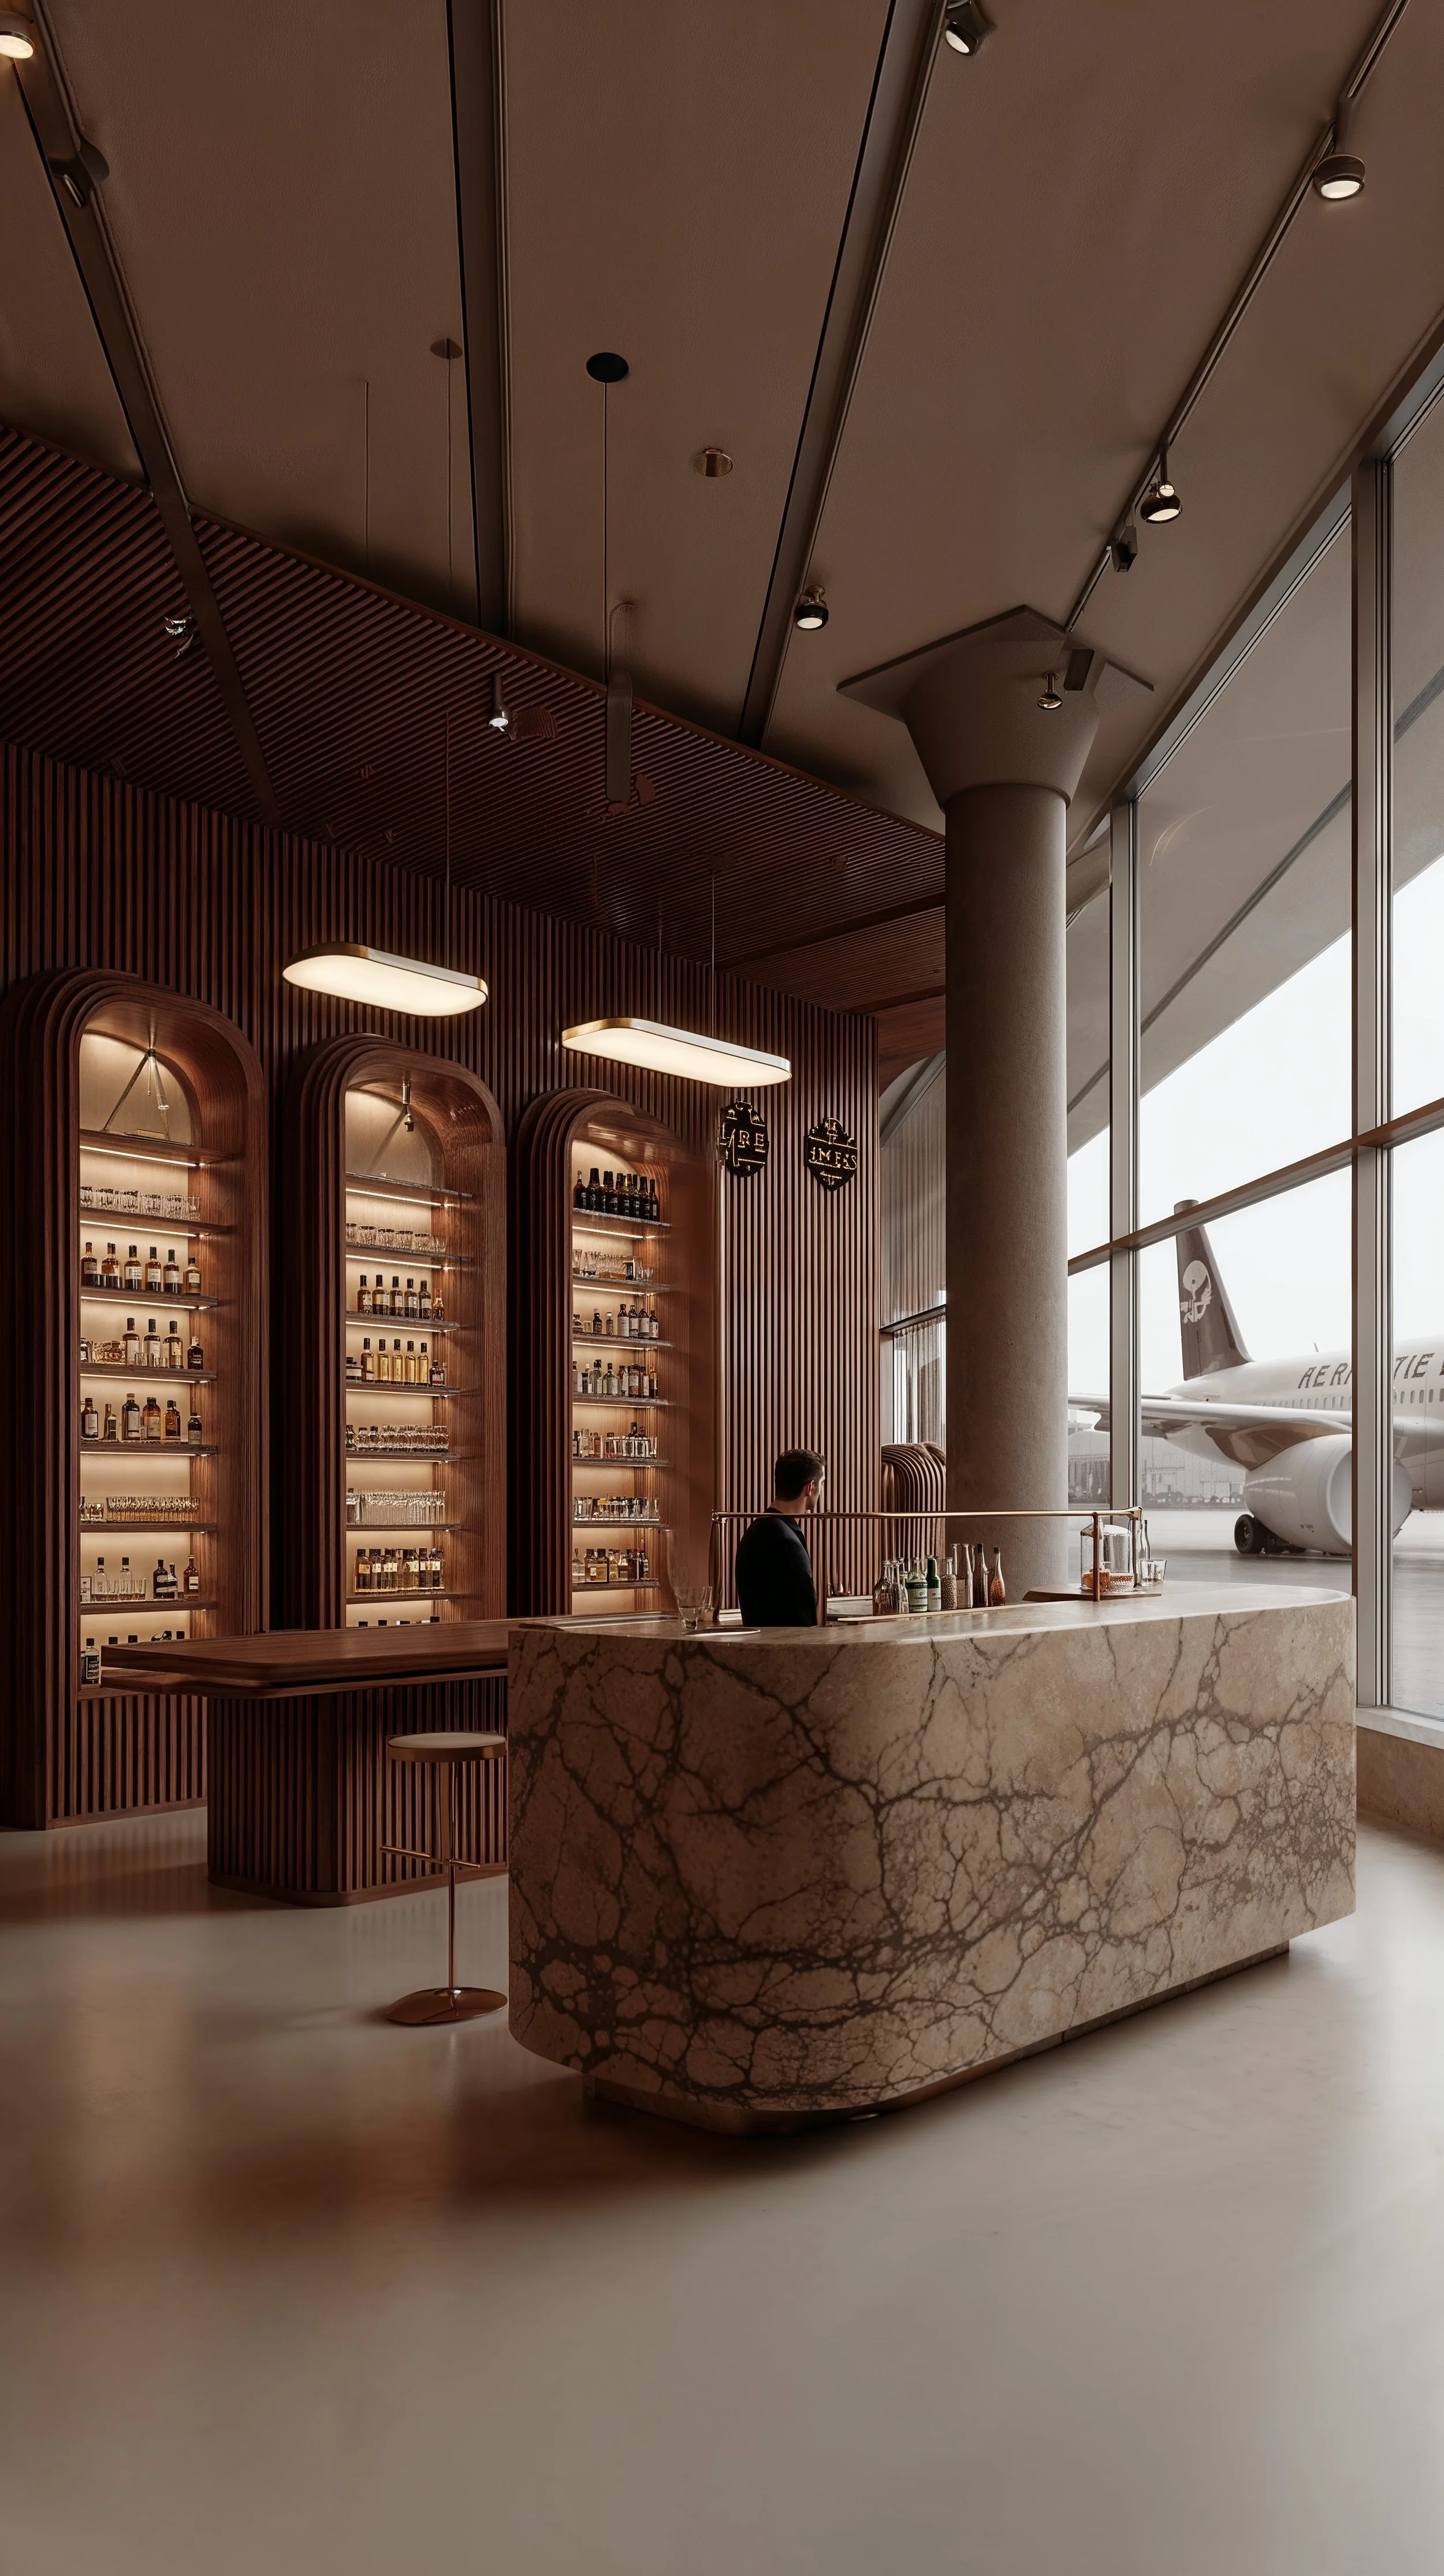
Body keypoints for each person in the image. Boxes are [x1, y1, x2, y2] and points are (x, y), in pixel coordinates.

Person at [735, 1448, 825, 1627]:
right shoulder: (787, 1541)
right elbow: (805, 1620)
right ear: (811, 1487)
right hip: (785, 1651)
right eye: (822, 1484)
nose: (821, 1490)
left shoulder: (759, 1527)